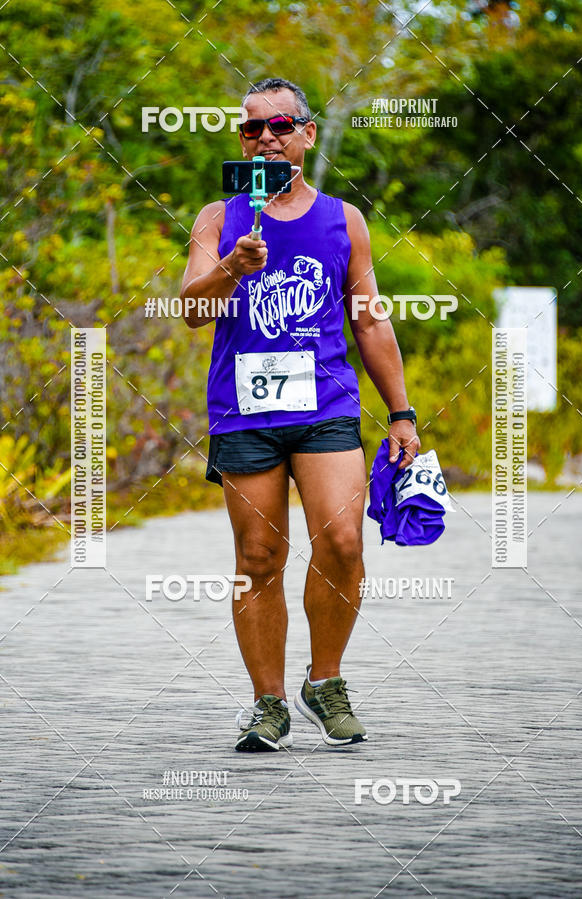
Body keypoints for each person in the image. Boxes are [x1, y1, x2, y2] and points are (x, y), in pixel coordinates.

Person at [181, 77, 420, 752]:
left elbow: (370, 320)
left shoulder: (344, 219)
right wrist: (231, 266)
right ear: (241, 141)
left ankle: (326, 680)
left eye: (281, 126)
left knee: (342, 541)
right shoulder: (217, 217)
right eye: (253, 129)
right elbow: (194, 310)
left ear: (307, 134)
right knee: (259, 556)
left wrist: (400, 411)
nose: (267, 139)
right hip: (246, 409)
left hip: (326, 403)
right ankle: (268, 703)